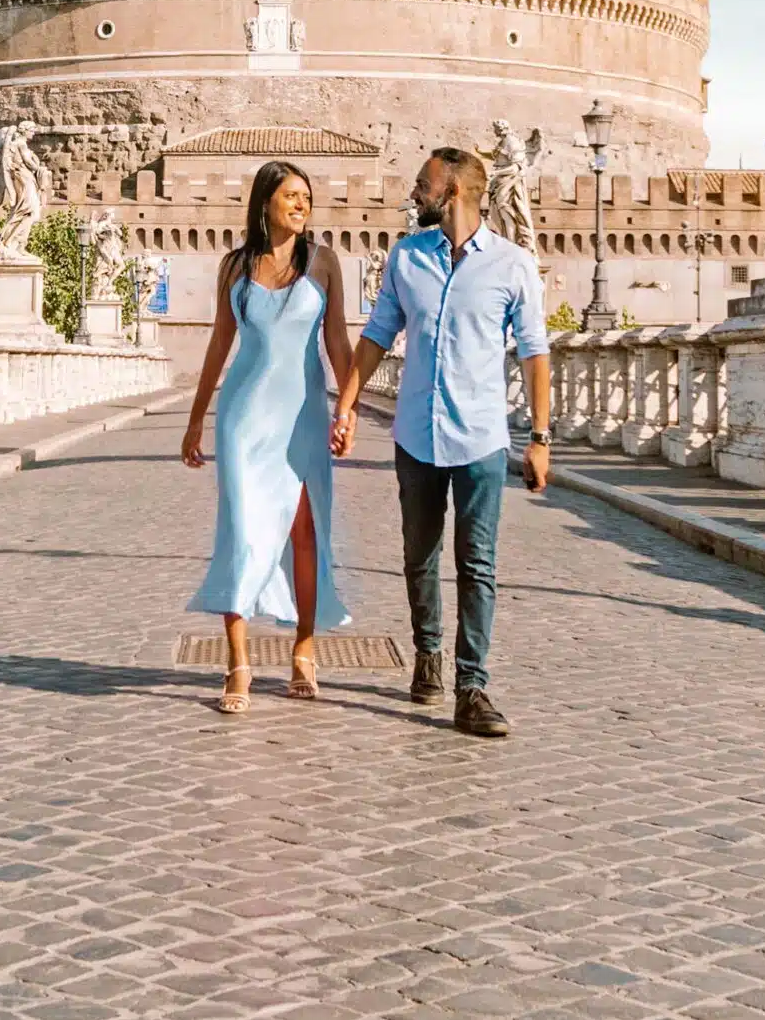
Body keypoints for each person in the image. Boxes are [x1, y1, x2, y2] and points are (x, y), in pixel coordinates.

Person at [332, 147, 551, 739]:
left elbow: (534, 351)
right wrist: (347, 405)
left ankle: (472, 686)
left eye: (424, 185)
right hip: (415, 436)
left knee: (477, 564)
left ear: (452, 191)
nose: (415, 193)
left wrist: (540, 437)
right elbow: (377, 335)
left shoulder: (512, 266)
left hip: (480, 436)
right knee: (419, 556)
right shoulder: (406, 258)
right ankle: (427, 653)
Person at [181, 161, 355, 714]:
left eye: (307, 196)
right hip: (243, 418)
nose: (302, 205)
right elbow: (218, 346)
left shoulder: (324, 263)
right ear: (265, 202)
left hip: (303, 417)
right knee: (243, 531)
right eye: (291, 196)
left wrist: (346, 410)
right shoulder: (235, 266)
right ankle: (238, 663)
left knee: (304, 532)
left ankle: (304, 647)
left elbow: (338, 345)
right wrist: (196, 417)